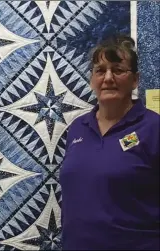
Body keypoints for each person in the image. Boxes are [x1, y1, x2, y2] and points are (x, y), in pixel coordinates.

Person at [60, 34, 160, 250]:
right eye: (100, 70)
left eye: (118, 70)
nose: (108, 78)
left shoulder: (154, 128)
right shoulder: (78, 128)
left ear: (135, 79)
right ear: (91, 79)